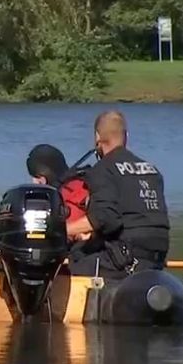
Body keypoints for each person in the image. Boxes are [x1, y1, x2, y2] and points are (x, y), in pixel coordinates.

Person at [67, 110, 169, 278]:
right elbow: (136, 217)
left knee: (72, 264)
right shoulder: (151, 170)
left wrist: (63, 230)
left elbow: (105, 217)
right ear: (126, 136)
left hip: (126, 257)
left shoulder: (103, 169)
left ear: (97, 137)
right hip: (157, 256)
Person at [25, 143, 90, 223]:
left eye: (35, 178)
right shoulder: (81, 182)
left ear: (42, 180)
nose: (33, 182)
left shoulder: (66, 197)